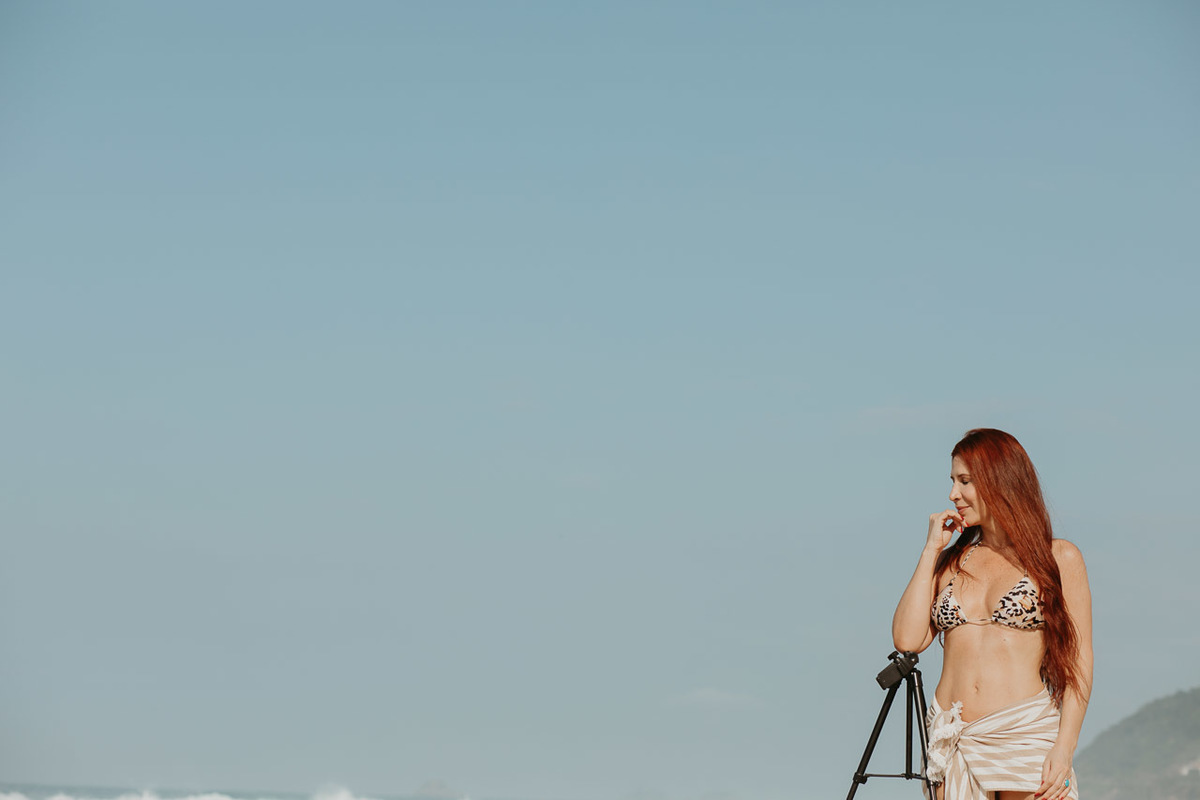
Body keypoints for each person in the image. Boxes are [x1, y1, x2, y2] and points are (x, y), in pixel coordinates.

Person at [892, 429, 1093, 800]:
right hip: (954, 739)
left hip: (1023, 732)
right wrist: (930, 550)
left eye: (965, 481)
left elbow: (1080, 662)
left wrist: (1064, 748)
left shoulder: (1059, 558)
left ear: (999, 480)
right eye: (953, 481)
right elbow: (907, 639)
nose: (953, 494)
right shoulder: (951, 563)